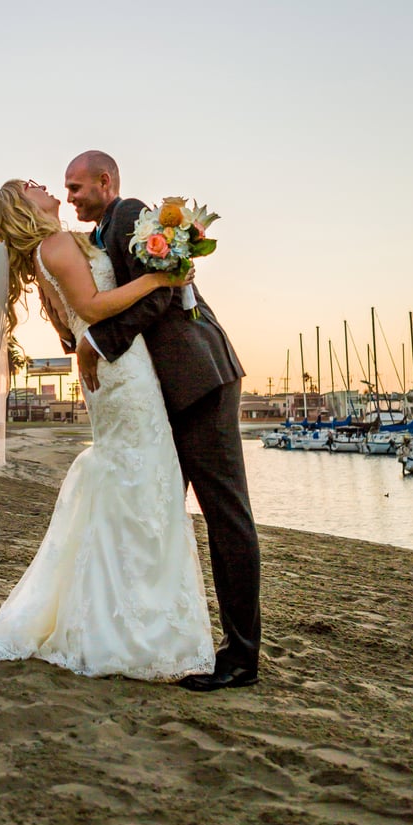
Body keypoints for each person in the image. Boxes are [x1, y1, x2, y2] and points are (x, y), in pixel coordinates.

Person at [0, 178, 215, 682]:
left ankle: (123, 614)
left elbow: (68, 327)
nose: (42, 185)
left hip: (113, 371)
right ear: (22, 207)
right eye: (30, 186)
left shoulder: (45, 255)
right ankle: (133, 627)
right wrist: (160, 279)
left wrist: (86, 337)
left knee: (134, 482)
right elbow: (94, 308)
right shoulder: (56, 245)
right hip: (123, 373)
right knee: (144, 483)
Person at [64, 151, 261, 692]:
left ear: (105, 181)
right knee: (164, 512)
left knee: (226, 516)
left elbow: (164, 291)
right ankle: (159, 635)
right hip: (166, 389)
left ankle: (242, 657)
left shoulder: (128, 214)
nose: (71, 197)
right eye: (67, 188)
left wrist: (98, 341)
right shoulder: (101, 232)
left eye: (77, 187)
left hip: (199, 376)